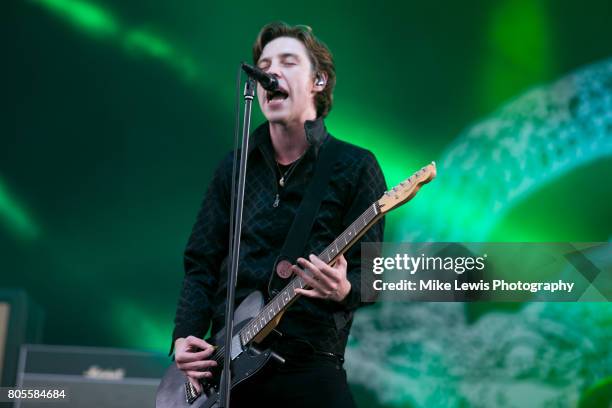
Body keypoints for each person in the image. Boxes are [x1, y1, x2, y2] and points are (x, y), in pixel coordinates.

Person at [170, 21, 386, 407]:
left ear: (318, 81)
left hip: (310, 368)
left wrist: (345, 289)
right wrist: (184, 335)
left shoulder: (354, 166)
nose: (271, 72)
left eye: (287, 62)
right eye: (264, 63)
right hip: (227, 375)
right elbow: (200, 262)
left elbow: (374, 275)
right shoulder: (234, 168)